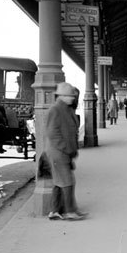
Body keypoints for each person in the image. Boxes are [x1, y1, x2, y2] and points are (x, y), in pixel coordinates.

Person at [45, 82, 86, 221]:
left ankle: (54, 210)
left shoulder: (66, 109)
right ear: (61, 96)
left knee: (58, 182)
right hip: (59, 152)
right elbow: (52, 133)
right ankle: (70, 211)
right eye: (70, 96)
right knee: (68, 181)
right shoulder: (55, 110)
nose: (73, 98)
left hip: (63, 152)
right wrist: (67, 148)